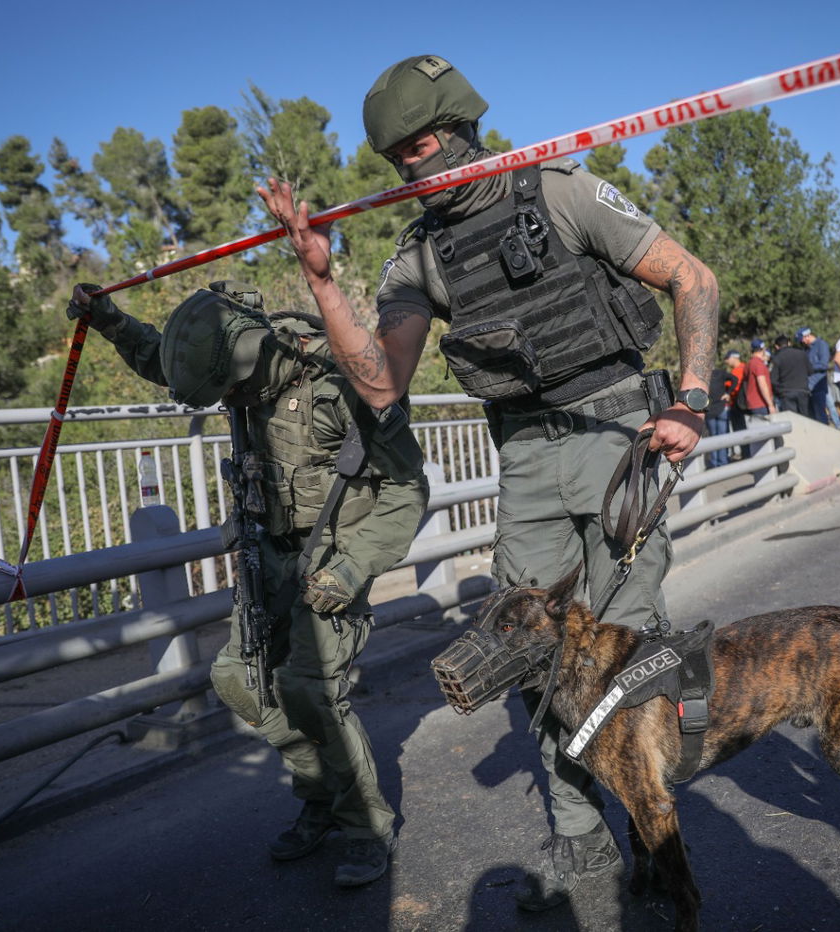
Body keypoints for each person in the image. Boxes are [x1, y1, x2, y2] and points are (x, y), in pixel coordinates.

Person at [257, 55, 719, 911]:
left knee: (630, 647)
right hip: (524, 456)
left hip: (616, 431)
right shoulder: (420, 254)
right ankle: (582, 843)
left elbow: (695, 279)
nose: (411, 169)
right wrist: (322, 281)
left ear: (463, 129)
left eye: (421, 146)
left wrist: (692, 401)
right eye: (396, 159)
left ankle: (657, 833)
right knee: (536, 654)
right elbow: (380, 384)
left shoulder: (562, 192)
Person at [68, 281, 428, 888]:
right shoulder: (237, 371)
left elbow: (407, 488)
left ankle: (366, 827)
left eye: (232, 390)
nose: (230, 401)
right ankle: (321, 797)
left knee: (308, 690)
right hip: (268, 555)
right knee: (238, 679)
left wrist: (349, 569)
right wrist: (106, 319)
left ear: (253, 355)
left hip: (334, 561)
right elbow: (162, 358)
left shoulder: (342, 385)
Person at [740, 338, 776, 458]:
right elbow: (762, 383)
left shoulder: (749, 363)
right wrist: (770, 404)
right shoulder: (758, 364)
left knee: (759, 437)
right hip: (761, 404)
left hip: (753, 404)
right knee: (765, 438)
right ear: (763, 349)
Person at [705, 351, 741, 467]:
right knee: (718, 437)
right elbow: (735, 380)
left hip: (719, 409)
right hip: (710, 410)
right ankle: (718, 463)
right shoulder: (705, 376)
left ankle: (721, 463)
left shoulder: (715, 374)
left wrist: (728, 393)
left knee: (718, 437)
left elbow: (735, 379)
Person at [769, 333, 813, 417]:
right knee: (806, 419)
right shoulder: (801, 354)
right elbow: (810, 371)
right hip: (802, 390)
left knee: (793, 420)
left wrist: (779, 391)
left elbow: (773, 380)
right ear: (789, 343)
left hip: (786, 393)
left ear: (777, 346)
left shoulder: (776, 358)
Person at [800, 327, 836, 425]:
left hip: (818, 384)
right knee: (813, 416)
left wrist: (807, 367)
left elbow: (824, 364)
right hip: (809, 386)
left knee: (821, 414)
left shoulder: (821, 345)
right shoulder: (807, 349)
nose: (802, 342)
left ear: (807, 336)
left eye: (802, 339)